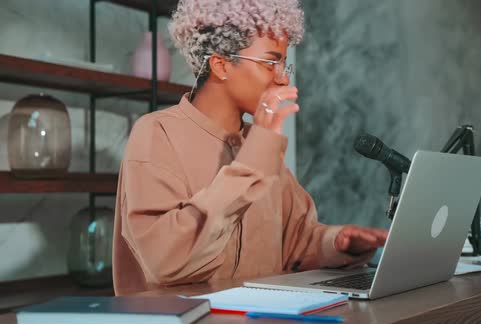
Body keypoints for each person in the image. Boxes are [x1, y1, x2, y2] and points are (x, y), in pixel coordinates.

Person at [112, 0, 388, 295]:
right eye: (271, 62)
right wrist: (255, 157)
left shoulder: (259, 144)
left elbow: (296, 242)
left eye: (284, 63)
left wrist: (337, 242)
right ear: (221, 65)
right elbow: (165, 260)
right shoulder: (156, 133)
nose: (282, 77)